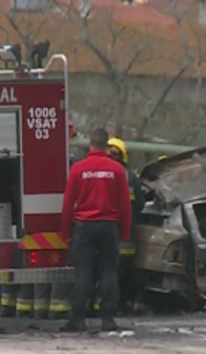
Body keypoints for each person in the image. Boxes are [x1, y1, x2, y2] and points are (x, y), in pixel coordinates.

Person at [60, 127, 132, 333]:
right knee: (108, 271)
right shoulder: (117, 170)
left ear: (90, 144)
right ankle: (108, 318)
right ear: (106, 146)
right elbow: (125, 204)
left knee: (83, 272)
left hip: (84, 227)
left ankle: (78, 319)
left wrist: (65, 233)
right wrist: (124, 232)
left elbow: (68, 203)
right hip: (109, 226)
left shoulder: (78, 169)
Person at [107, 137, 144, 311]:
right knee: (124, 273)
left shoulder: (103, 171)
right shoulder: (131, 176)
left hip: (106, 233)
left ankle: (109, 305)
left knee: (107, 272)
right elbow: (141, 203)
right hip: (126, 234)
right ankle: (123, 304)